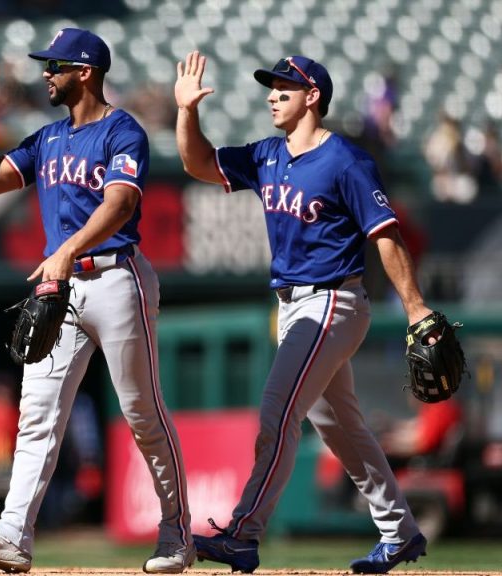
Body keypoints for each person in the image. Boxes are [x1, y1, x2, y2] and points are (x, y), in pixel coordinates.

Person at [0, 28, 193, 574]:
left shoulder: (122, 131)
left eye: (55, 66)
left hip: (116, 278)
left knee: (141, 413)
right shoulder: (47, 138)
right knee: (37, 413)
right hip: (63, 287)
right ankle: (13, 533)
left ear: (86, 72)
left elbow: (121, 205)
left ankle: (176, 532)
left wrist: (68, 249)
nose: (46, 74)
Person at [173, 51, 431, 574]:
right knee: (341, 428)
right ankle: (399, 531)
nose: (272, 95)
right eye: (271, 87)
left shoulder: (345, 160)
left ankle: (245, 534)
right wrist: (186, 112)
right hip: (293, 306)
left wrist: (417, 308)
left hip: (333, 299)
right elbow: (198, 164)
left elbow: (386, 234)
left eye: (284, 88)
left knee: (277, 412)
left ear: (313, 96)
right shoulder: (268, 154)